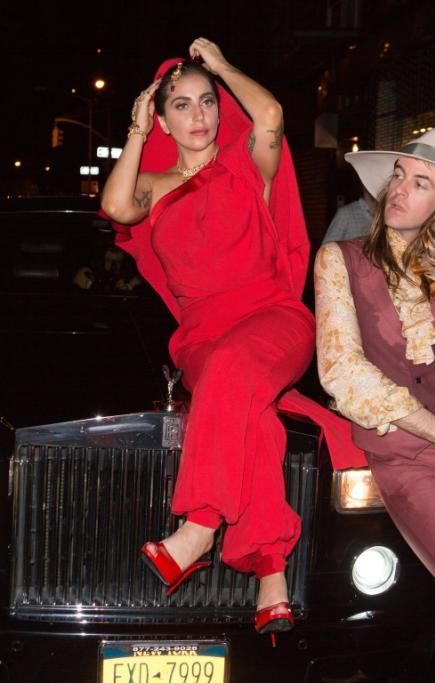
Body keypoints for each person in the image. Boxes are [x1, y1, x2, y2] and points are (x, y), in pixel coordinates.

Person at [101, 37, 316, 643]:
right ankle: (270, 567)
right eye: (181, 105)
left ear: (222, 109)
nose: (198, 115)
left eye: (207, 102)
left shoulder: (247, 164)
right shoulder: (154, 184)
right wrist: (136, 130)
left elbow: (269, 113)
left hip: (273, 318)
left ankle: (199, 526)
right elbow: (116, 205)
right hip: (202, 337)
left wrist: (220, 66)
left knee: (231, 371)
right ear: (163, 119)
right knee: (247, 407)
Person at [314, 128, 435, 576]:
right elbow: (342, 370)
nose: (399, 188)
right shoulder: (341, 259)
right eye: (398, 175)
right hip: (404, 453)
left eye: (420, 183)